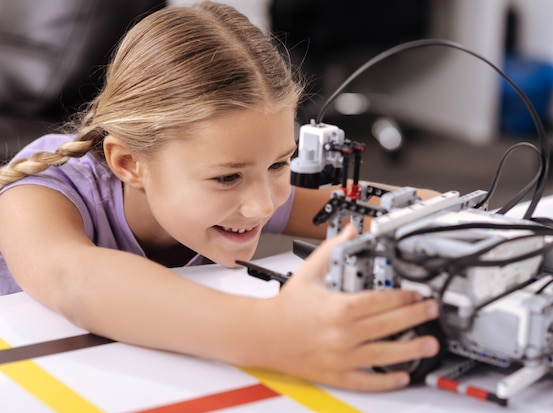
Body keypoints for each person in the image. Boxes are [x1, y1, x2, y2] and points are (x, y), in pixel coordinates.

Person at [0, 1, 440, 391]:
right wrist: (275, 333)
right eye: (228, 178)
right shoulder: (42, 195)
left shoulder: (233, 188)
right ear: (130, 164)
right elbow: (75, 282)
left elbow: (358, 206)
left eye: (278, 164)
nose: (264, 205)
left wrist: (460, 215)